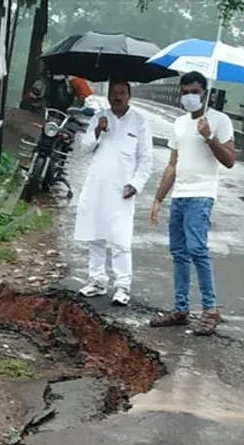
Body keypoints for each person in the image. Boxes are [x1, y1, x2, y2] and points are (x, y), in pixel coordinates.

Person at [147, 71, 235, 336]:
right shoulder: (180, 123)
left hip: (202, 193)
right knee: (179, 253)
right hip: (180, 195)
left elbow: (230, 160)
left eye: (194, 92)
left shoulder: (220, 121)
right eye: (185, 92)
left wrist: (209, 137)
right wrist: (158, 198)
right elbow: (173, 164)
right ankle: (180, 308)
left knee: (198, 249)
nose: (189, 97)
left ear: (205, 93)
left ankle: (211, 310)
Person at [73, 80, 153, 306]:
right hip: (97, 185)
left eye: (121, 93)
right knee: (95, 234)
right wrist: (97, 130)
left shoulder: (140, 122)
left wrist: (136, 184)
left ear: (129, 95)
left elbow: (146, 159)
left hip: (122, 190)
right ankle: (97, 280)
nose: (117, 97)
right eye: (113, 93)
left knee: (120, 239)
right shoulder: (100, 117)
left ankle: (123, 286)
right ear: (108, 96)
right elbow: (85, 147)